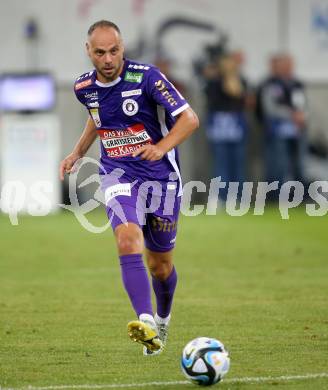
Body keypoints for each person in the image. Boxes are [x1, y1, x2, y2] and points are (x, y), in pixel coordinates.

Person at [59, 20, 199, 356]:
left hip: (161, 179)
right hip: (118, 174)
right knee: (126, 238)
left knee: (160, 265)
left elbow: (189, 119)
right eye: (100, 52)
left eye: (114, 51)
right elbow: (98, 116)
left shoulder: (147, 77)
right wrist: (78, 152)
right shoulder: (83, 87)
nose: (108, 59)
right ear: (88, 51)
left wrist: (162, 147)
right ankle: (146, 321)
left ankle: (163, 318)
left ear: (122, 48)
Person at [204, 52, 249, 204]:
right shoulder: (214, 83)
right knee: (221, 163)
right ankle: (221, 196)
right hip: (221, 127)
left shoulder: (241, 81)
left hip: (235, 126)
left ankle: (236, 196)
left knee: (236, 163)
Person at [259, 54, 307, 186]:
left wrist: (303, 116)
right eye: (284, 65)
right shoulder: (271, 84)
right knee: (278, 163)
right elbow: (270, 108)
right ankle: (276, 194)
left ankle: (300, 195)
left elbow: (304, 104)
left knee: (299, 163)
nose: (287, 68)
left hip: (297, 129)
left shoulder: (297, 83)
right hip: (278, 129)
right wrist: (291, 114)